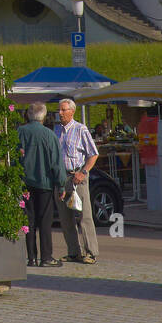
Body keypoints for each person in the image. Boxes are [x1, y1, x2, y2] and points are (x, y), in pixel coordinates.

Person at [17, 102, 67, 267]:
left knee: (29, 221)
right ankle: (46, 257)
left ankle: (31, 257)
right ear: (44, 116)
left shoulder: (19, 132)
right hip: (44, 183)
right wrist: (61, 185)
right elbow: (56, 163)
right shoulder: (49, 135)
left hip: (25, 183)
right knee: (45, 221)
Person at [55, 98, 100, 265]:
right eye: (59, 110)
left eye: (63, 110)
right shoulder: (56, 130)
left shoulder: (81, 129)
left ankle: (91, 252)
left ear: (72, 111)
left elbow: (93, 154)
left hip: (77, 176)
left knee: (84, 215)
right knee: (65, 217)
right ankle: (73, 251)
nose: (60, 113)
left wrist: (83, 172)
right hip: (62, 177)